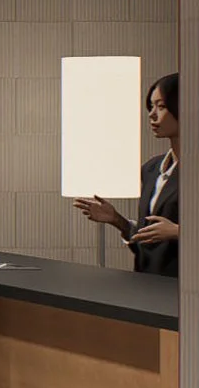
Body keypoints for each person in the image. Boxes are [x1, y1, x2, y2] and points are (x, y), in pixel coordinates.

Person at [75, 71, 180, 277]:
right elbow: (146, 239)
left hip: (186, 287)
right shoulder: (151, 168)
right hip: (146, 282)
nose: (152, 114)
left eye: (161, 107)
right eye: (151, 107)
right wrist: (116, 220)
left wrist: (179, 232)